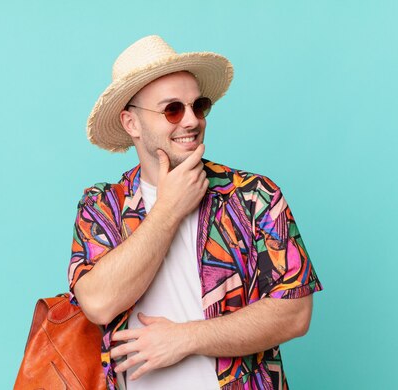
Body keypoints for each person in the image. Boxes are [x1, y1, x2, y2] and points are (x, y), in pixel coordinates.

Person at [68, 35, 322, 390]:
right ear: (131, 123)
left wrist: (184, 339)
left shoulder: (253, 196)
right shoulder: (102, 207)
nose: (191, 121)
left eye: (198, 106)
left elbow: (294, 313)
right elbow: (97, 303)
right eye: (172, 109)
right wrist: (169, 209)